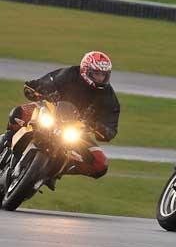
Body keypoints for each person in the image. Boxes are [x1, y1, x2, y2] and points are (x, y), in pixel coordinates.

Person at [0, 51, 120, 185]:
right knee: (19, 113)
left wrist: (100, 127)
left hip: (76, 132)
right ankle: (5, 142)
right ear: (86, 70)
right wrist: (42, 91)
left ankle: (52, 171)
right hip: (51, 113)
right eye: (96, 74)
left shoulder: (108, 97)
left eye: (103, 75)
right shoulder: (70, 74)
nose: (100, 78)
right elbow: (40, 83)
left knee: (100, 164)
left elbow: (111, 127)